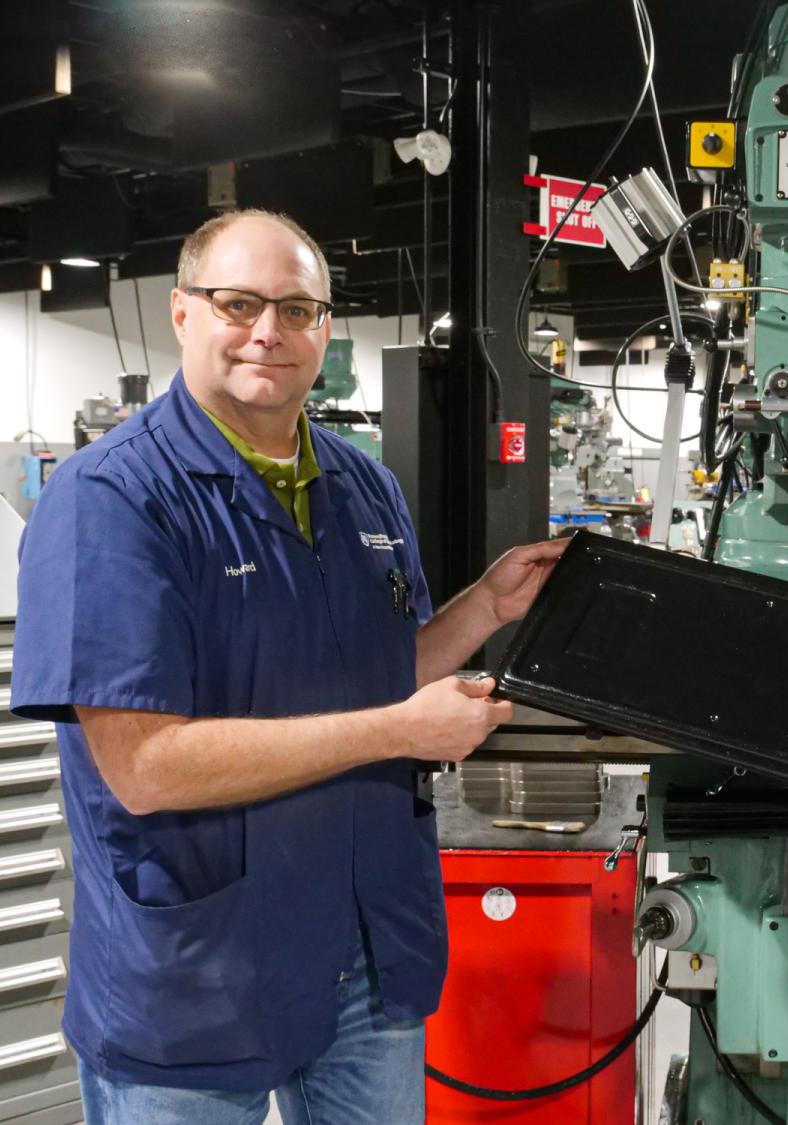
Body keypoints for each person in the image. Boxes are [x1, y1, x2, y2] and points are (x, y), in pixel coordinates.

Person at [11, 208, 566, 1125]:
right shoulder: (111, 499)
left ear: (325, 327)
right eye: (240, 303)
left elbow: (382, 671)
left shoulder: (361, 484)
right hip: (196, 972)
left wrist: (486, 607)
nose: (269, 331)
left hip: (363, 953)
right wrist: (398, 732)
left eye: (299, 309)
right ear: (183, 313)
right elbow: (143, 768)